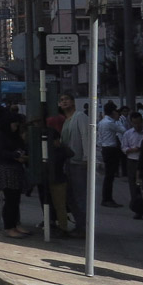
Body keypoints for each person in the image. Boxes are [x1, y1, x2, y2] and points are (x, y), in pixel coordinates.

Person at [0, 113, 31, 239]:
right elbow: (0, 153)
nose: (15, 128)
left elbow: (20, 147)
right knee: (10, 200)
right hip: (6, 170)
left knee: (15, 199)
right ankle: (9, 227)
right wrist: (16, 156)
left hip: (15, 169)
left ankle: (15, 224)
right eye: (14, 125)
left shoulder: (12, 134)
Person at [59, 93, 91, 233]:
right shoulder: (66, 120)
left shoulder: (80, 117)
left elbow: (86, 136)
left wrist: (86, 158)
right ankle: (79, 224)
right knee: (71, 197)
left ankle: (84, 227)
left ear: (73, 102)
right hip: (69, 163)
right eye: (61, 100)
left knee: (80, 196)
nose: (64, 102)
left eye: (67, 99)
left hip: (79, 163)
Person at [120, 111, 143, 219]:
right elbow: (123, 148)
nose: (137, 125)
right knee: (134, 186)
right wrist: (132, 150)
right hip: (132, 160)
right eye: (135, 123)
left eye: (139, 123)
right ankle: (137, 210)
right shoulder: (128, 133)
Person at [97, 101, 123, 207]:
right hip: (111, 149)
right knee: (109, 176)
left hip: (105, 148)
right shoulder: (110, 123)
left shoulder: (103, 121)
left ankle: (107, 198)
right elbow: (124, 130)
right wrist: (118, 120)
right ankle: (107, 199)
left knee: (109, 175)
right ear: (113, 112)